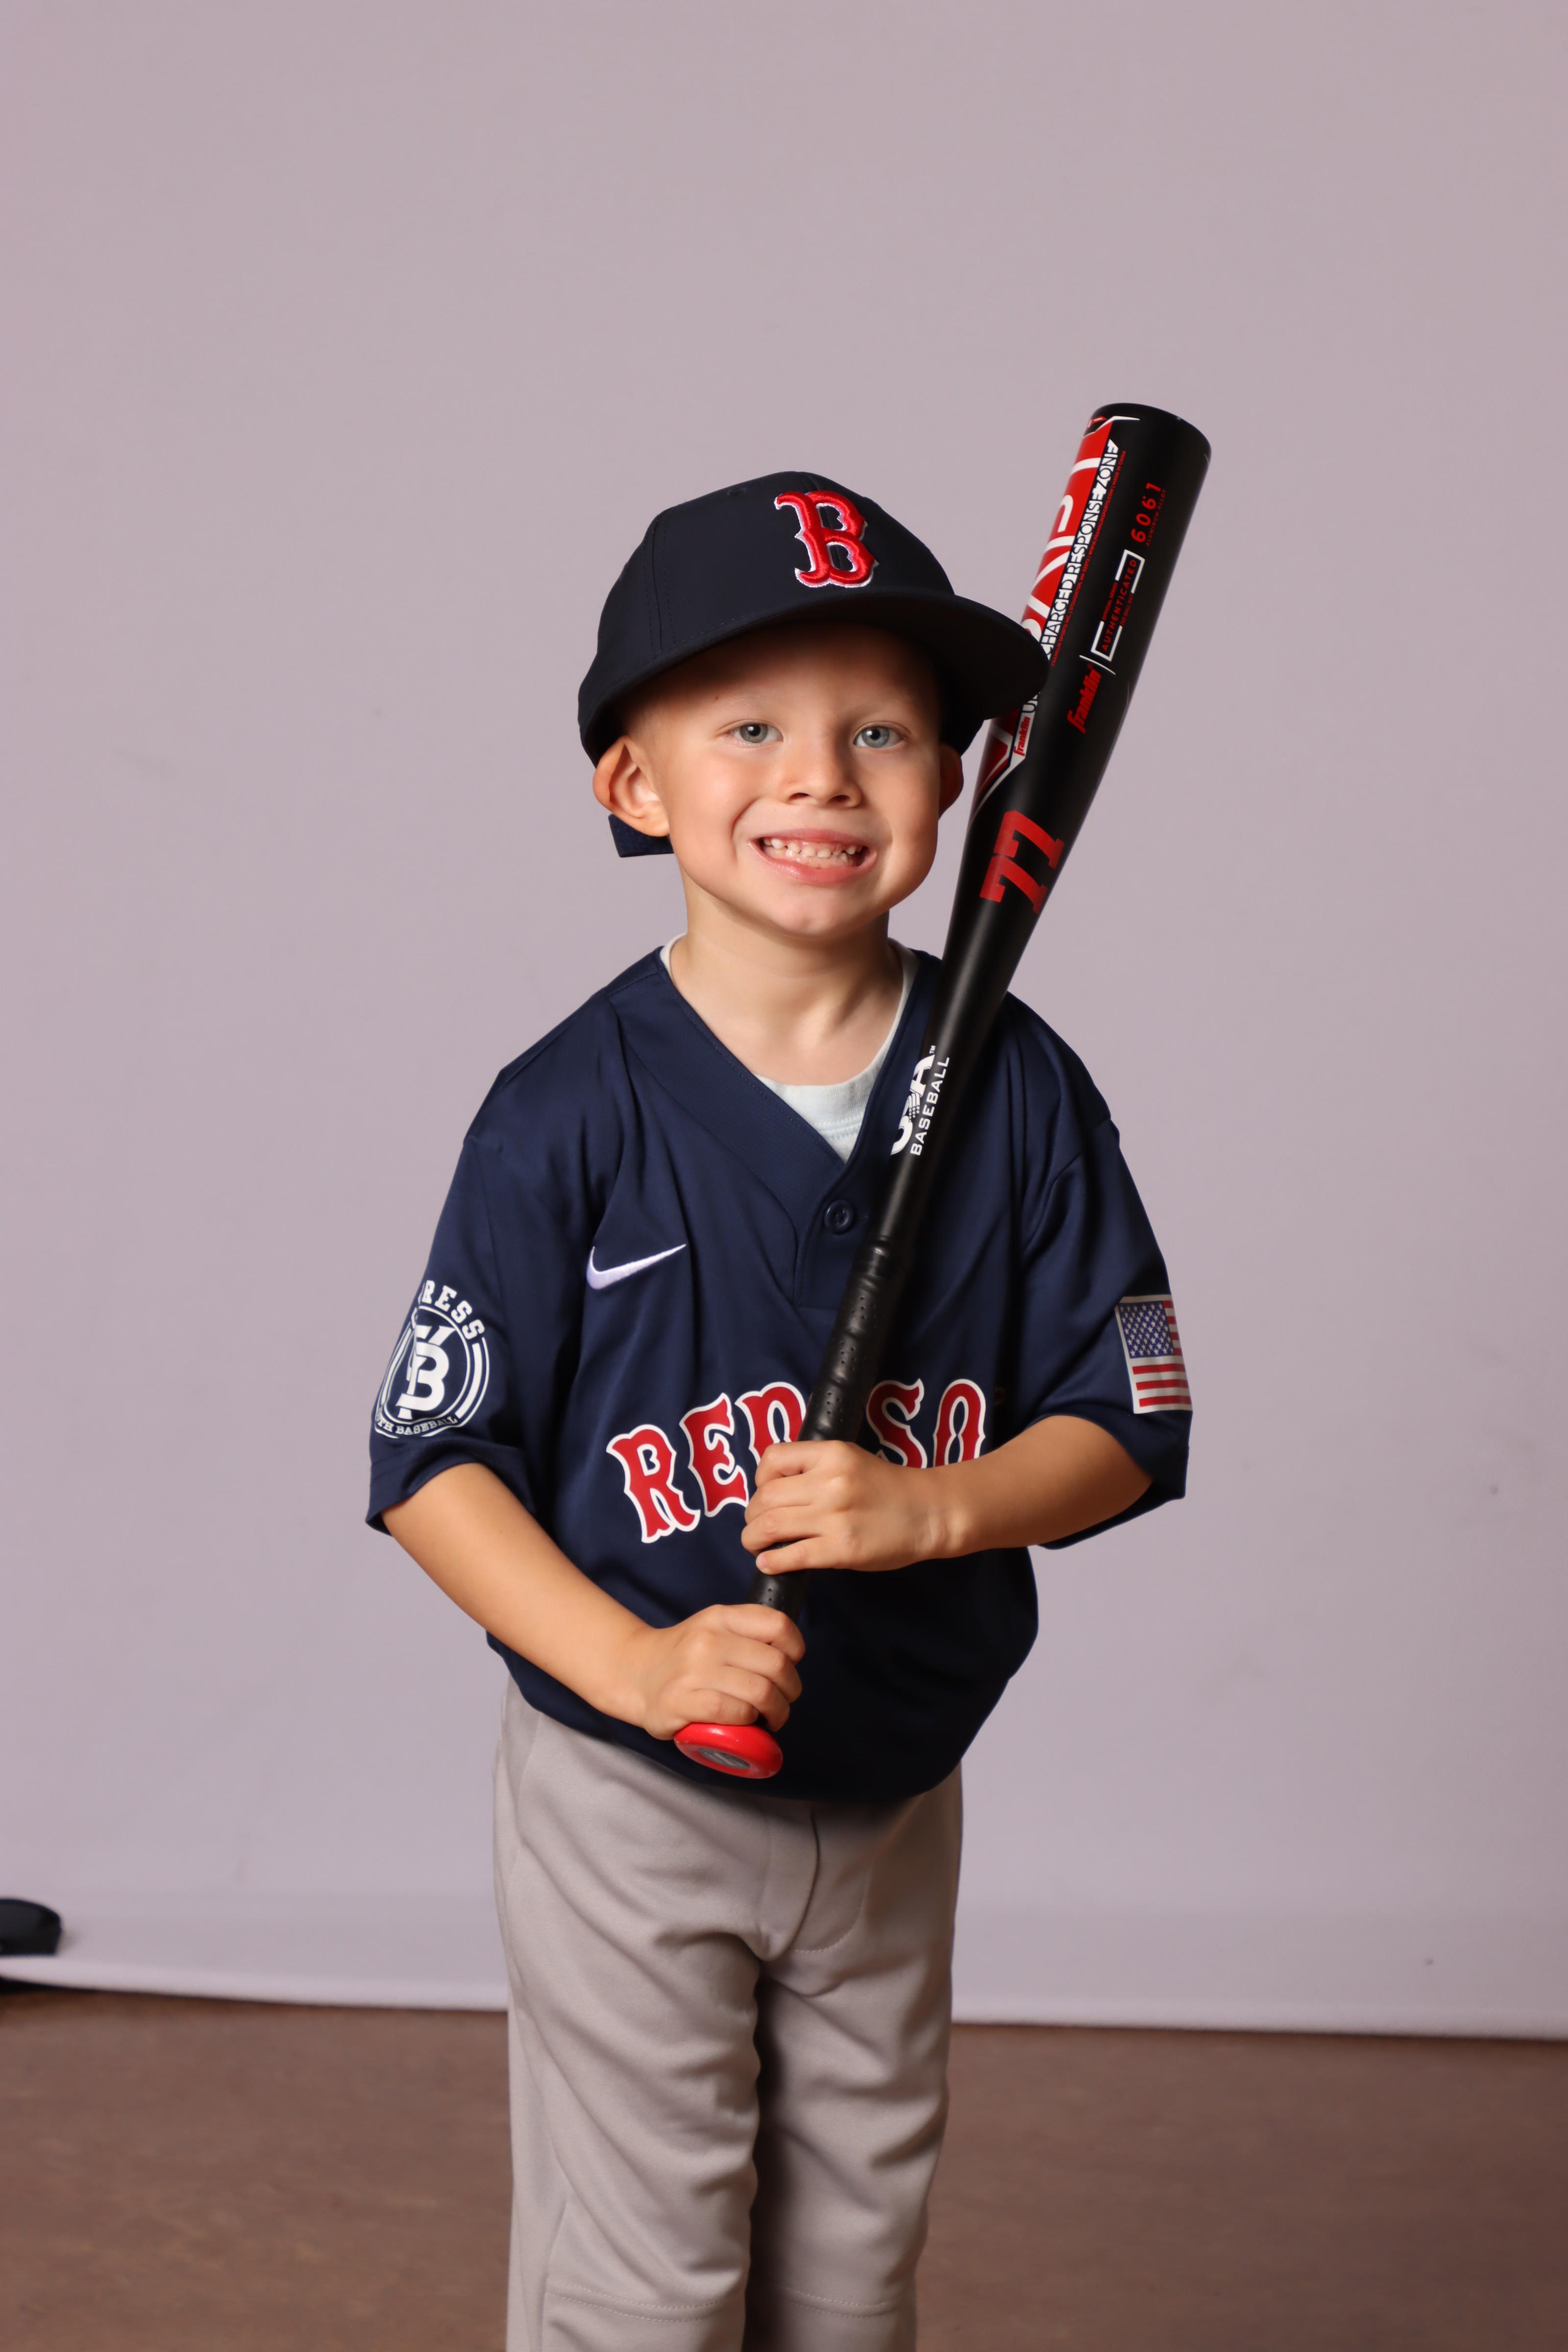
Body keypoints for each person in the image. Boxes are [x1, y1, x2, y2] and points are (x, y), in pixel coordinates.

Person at [369, 473, 1191, 2351]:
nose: (819, 774)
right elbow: (433, 1467)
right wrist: (637, 1667)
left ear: (958, 783)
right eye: (748, 725)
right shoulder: (569, 1107)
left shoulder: (1020, 1087)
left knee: (848, 2272)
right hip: (630, 1782)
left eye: (880, 731)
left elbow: (1129, 1413)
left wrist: (939, 1509)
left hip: (896, 1773)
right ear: (634, 783)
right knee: (647, 2277)